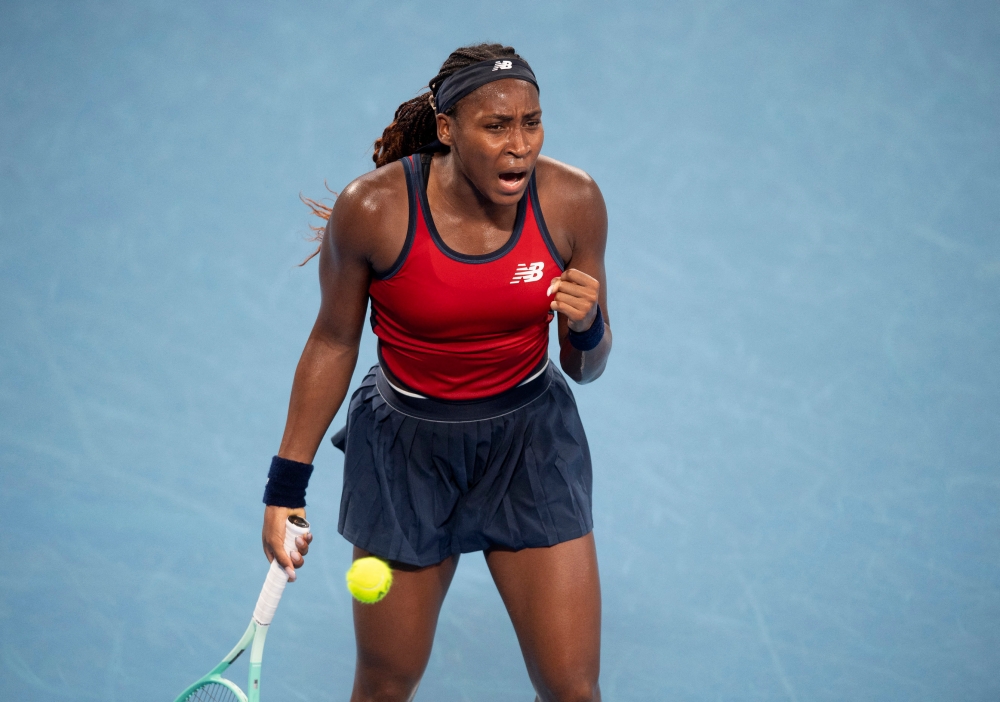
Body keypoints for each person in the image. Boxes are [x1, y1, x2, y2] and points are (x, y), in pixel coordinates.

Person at [260, 43, 612, 702]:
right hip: (406, 454)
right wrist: (286, 485)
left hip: (530, 447)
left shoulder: (573, 202)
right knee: (387, 684)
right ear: (447, 130)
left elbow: (583, 367)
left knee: (573, 688)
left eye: (531, 122)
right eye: (496, 125)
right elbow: (334, 341)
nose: (519, 146)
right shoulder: (373, 211)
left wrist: (588, 325)